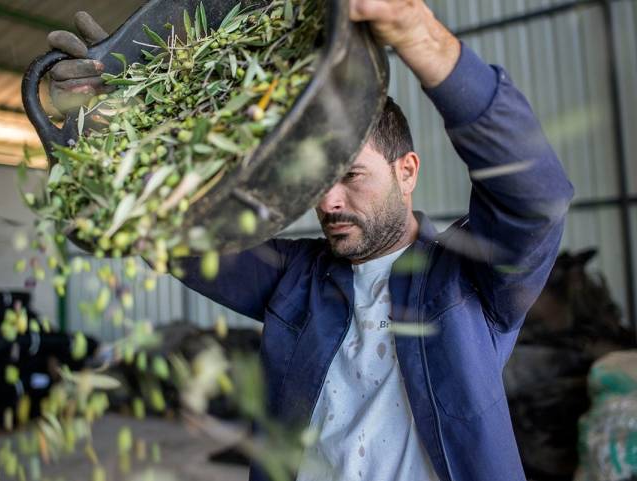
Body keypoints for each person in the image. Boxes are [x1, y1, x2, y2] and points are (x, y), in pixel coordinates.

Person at [46, 1, 574, 480]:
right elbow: (165, 233)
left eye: (352, 176)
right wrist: (113, 127)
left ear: (407, 171)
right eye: (320, 181)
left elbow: (536, 195)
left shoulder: (471, 281)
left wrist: (422, 37)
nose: (328, 203)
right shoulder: (294, 279)